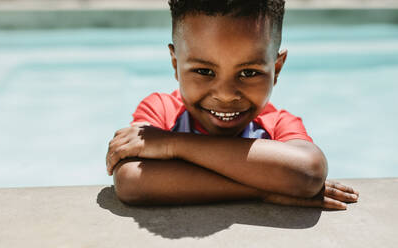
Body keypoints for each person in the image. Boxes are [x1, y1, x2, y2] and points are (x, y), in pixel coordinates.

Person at [106, 0, 359, 210]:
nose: (226, 95)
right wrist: (264, 189)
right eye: (204, 71)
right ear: (175, 64)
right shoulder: (161, 110)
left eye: (249, 73)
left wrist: (171, 144)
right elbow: (131, 181)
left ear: (276, 69)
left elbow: (309, 173)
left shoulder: (277, 123)